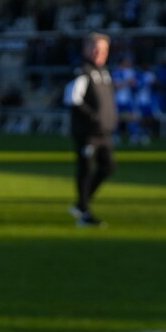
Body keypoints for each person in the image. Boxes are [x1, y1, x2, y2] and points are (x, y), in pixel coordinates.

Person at [63, 33, 117, 227]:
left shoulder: (103, 72)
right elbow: (72, 98)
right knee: (85, 169)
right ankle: (84, 213)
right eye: (95, 48)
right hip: (87, 132)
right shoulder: (82, 71)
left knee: (108, 166)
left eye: (103, 50)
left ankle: (81, 203)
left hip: (104, 132)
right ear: (86, 49)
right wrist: (93, 118)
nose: (99, 53)